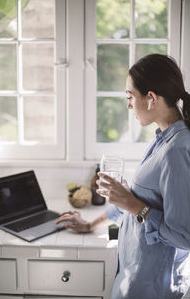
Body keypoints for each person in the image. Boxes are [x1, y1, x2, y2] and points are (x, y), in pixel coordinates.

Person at [56, 54, 190, 299]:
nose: (128, 105)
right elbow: (136, 206)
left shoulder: (176, 151)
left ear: (151, 98)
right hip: (134, 278)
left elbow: (183, 236)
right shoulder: (162, 140)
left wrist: (133, 203)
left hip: (153, 287)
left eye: (130, 97)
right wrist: (91, 224)